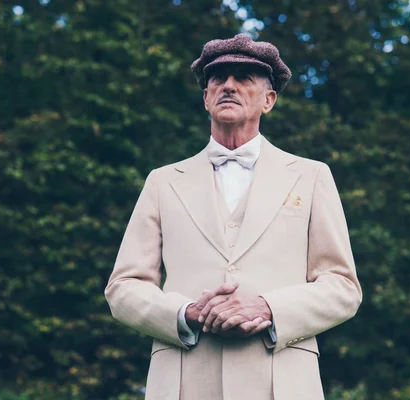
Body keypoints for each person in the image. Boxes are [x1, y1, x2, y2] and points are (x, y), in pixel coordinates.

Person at [105, 33, 362, 400]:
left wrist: (268, 308)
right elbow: (123, 288)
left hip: (282, 384)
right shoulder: (162, 182)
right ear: (206, 97)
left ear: (269, 100)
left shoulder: (311, 175)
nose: (229, 86)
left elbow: (343, 287)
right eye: (218, 78)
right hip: (184, 382)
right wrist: (187, 312)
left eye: (244, 78)